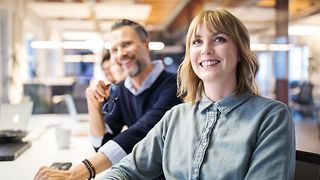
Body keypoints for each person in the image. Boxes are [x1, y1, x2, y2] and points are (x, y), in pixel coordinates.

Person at [102, 9, 296, 179]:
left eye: (219, 39)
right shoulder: (175, 117)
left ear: (239, 52)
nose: (206, 49)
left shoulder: (272, 117)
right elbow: (127, 170)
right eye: (197, 41)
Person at [34, 19, 181, 180]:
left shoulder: (174, 85)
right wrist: (93, 103)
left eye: (126, 44)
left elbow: (140, 134)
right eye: (114, 49)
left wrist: (76, 173)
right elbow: (102, 145)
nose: (121, 54)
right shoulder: (122, 90)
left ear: (146, 45)